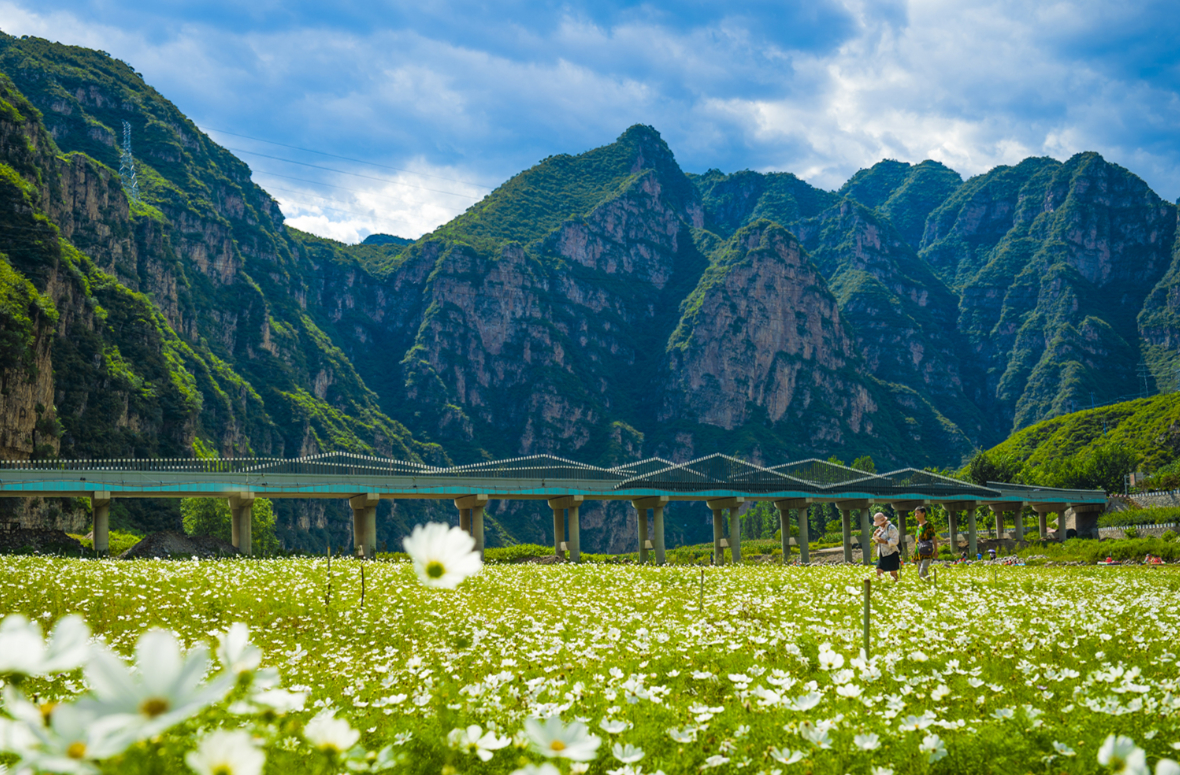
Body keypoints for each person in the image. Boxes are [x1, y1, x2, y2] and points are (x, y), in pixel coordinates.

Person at [872, 512, 900, 581]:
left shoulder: (891, 527)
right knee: (879, 571)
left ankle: (897, 586)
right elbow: (877, 540)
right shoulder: (880, 529)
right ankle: (878, 587)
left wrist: (885, 542)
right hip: (882, 553)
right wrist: (875, 535)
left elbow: (896, 540)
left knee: (893, 573)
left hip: (891, 552)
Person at [914, 506, 936, 581]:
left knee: (922, 571)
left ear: (923, 513)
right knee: (922, 573)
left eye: (918, 513)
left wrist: (936, 551)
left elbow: (934, 538)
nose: (916, 515)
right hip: (919, 551)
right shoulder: (918, 527)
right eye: (915, 513)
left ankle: (928, 585)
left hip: (927, 551)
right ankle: (927, 587)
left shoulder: (929, 525)